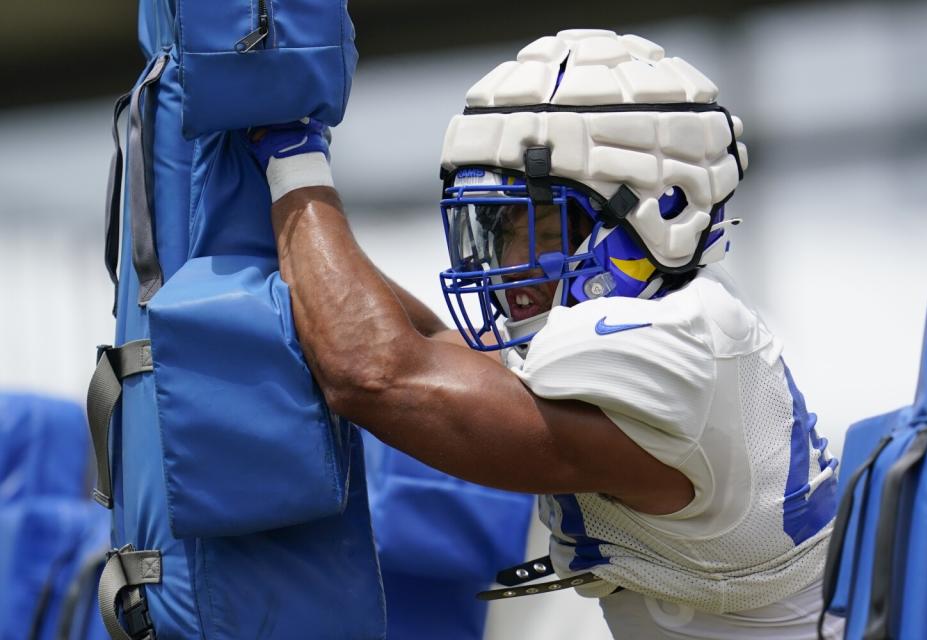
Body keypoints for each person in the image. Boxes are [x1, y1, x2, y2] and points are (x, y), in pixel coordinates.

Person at [251, 30, 843, 640]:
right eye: (501, 228)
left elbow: (375, 373)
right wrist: (273, 217)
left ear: (662, 210)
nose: (513, 261)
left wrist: (296, 164)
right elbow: (419, 341)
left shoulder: (665, 345)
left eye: (543, 227)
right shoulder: (677, 313)